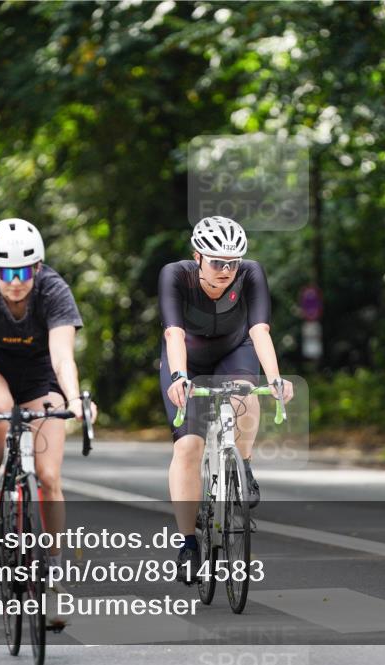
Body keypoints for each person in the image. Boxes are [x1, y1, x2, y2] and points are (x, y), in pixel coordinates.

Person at [0, 218, 95, 618]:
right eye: (7, 272)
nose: (16, 281)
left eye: (25, 271)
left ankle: (53, 573)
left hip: (37, 374)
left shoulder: (53, 290)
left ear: (39, 267)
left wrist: (75, 400)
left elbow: (63, 355)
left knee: (48, 476)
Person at [158, 216, 294, 584]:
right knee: (188, 446)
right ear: (197, 256)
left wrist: (276, 378)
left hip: (235, 351)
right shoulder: (176, 275)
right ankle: (188, 543)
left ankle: (244, 466)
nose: (226, 270)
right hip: (186, 358)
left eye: (232, 262)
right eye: (217, 262)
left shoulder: (250, 274)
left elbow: (260, 330)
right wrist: (178, 378)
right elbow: (173, 333)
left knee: (247, 395)